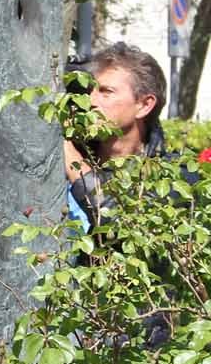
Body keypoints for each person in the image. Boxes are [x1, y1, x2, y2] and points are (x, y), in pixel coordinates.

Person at [64, 42, 170, 230]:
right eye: (89, 91)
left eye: (106, 92)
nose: (90, 101)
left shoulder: (170, 178)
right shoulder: (63, 160)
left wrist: (67, 153)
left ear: (145, 105)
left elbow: (121, 225)